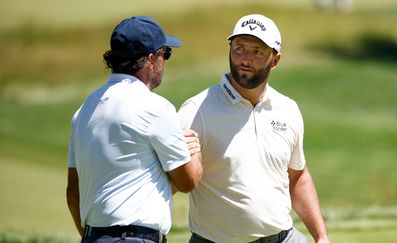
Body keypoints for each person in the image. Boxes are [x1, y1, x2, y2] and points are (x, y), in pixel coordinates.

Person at [178, 14, 330, 243]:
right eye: (239, 48)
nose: (245, 59)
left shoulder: (287, 109)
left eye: (257, 51)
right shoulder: (196, 110)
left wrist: (321, 237)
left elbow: (297, 176)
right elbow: (170, 177)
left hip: (281, 237)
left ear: (275, 60)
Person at [66, 16, 202, 243]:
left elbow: (73, 194)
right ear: (151, 59)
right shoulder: (155, 107)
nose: (165, 62)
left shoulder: (84, 110)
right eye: (165, 54)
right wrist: (194, 150)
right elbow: (187, 181)